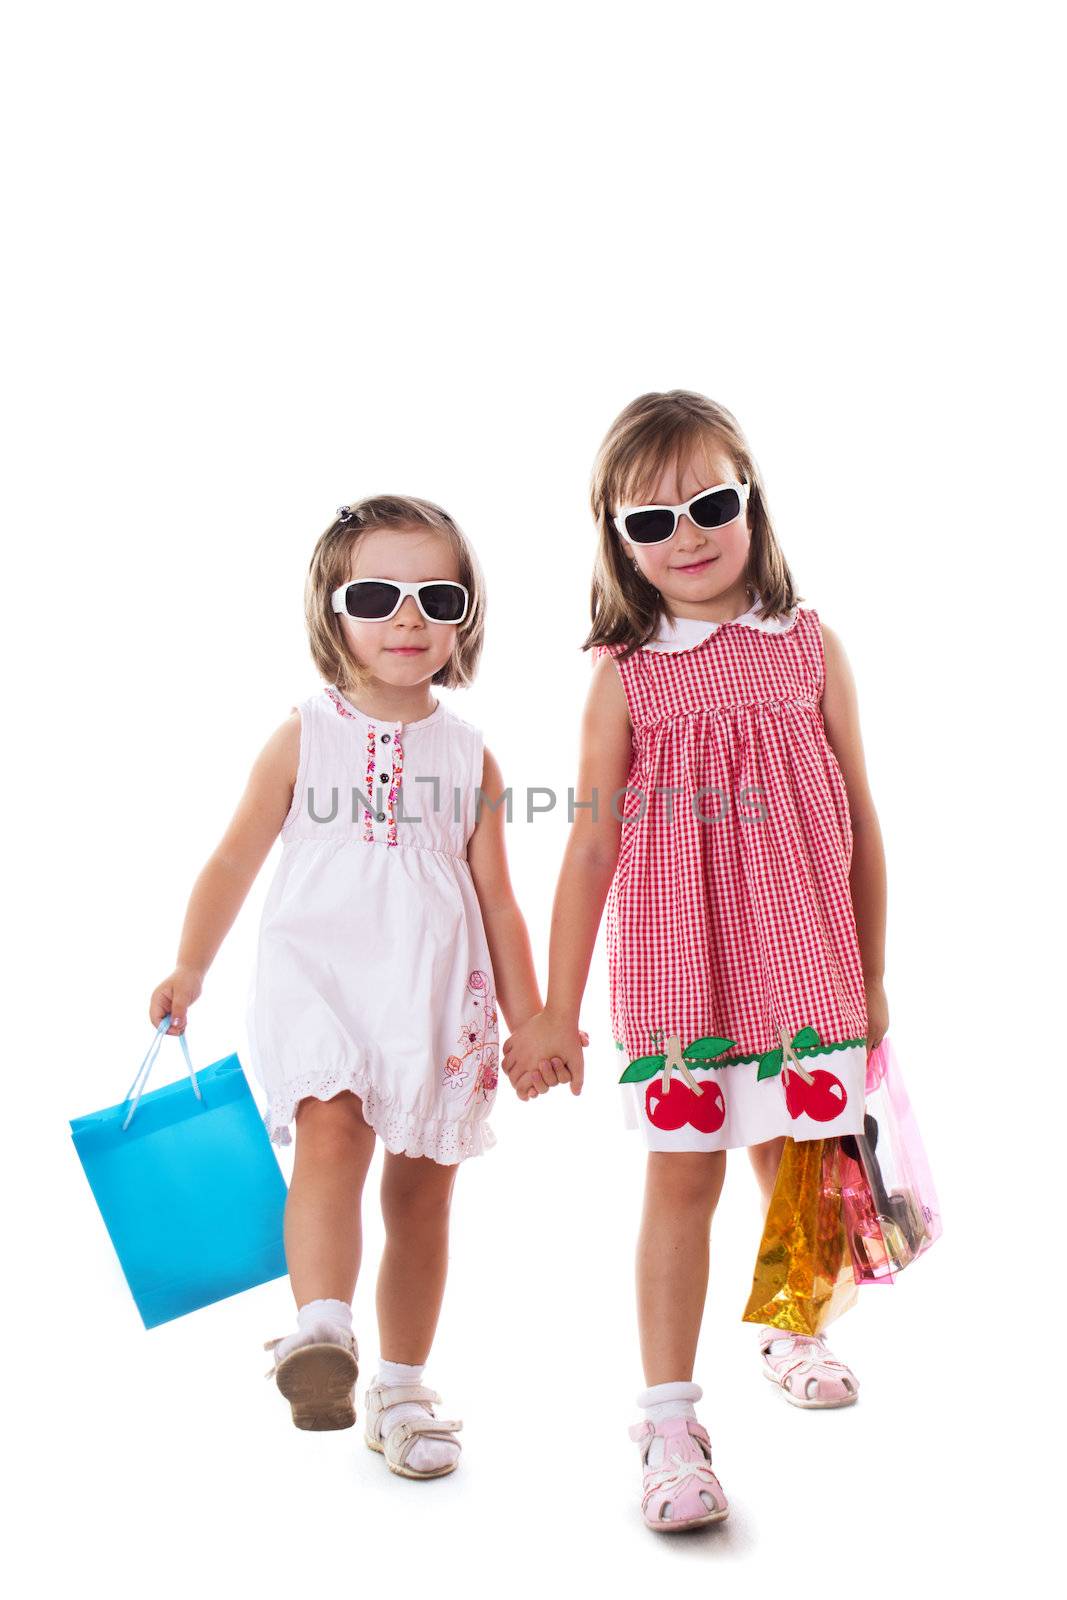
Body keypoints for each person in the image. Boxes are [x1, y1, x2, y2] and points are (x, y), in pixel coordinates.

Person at [502, 391, 888, 1531]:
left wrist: (870, 974)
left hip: (804, 957)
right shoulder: (627, 675)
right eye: (649, 521)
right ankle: (667, 1421)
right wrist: (554, 1010)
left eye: (710, 503)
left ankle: (789, 1319)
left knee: (806, 1149)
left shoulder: (810, 645)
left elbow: (859, 814)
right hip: (684, 971)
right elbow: (589, 842)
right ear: (615, 543)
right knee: (684, 1173)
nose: (686, 535)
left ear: (751, 503)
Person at [150, 494, 578, 1479]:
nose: (408, 617)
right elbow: (231, 860)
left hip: (432, 991)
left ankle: (400, 1384)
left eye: (438, 595)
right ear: (331, 610)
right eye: (378, 593)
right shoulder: (304, 735)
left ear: (465, 615)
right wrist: (191, 963)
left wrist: (533, 1020)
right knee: (329, 1131)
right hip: (321, 976)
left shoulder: (470, 757)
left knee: (421, 1197)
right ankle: (322, 1334)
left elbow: (500, 903)